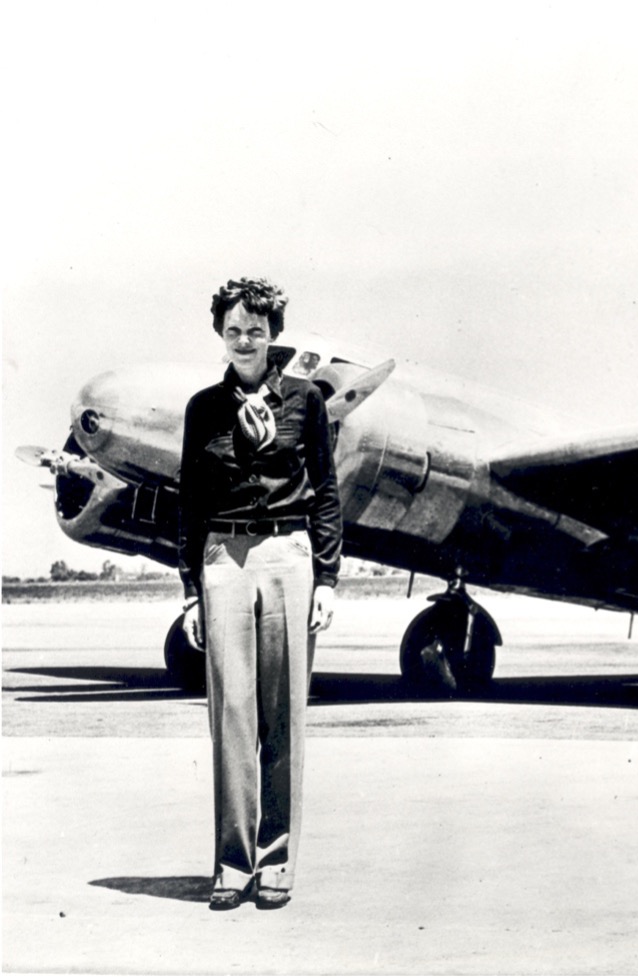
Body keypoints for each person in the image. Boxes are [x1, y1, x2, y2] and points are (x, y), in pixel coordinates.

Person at [178, 277, 342, 911]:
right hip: (223, 556)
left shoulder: (306, 401)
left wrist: (326, 579)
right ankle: (231, 864)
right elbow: (190, 504)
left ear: (273, 333)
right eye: (232, 330)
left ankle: (275, 865)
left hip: (288, 555)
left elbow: (325, 492)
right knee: (231, 719)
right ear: (220, 334)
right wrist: (192, 590)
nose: (243, 340)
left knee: (283, 719)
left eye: (255, 329)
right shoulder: (202, 409)